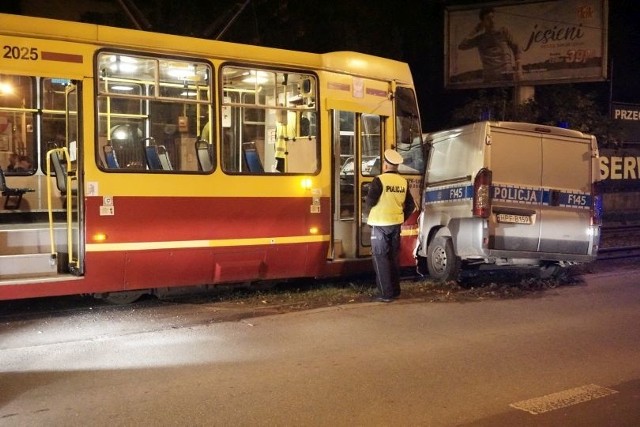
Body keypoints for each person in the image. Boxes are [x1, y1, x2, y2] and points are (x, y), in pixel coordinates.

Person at [366, 149, 416, 302]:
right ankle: (395, 291)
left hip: (379, 224)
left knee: (380, 258)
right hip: (395, 225)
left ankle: (385, 294)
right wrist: (401, 217)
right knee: (393, 258)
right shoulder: (403, 182)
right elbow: (411, 205)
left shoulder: (379, 180)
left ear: (386, 165)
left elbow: (370, 202)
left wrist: (368, 213)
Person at [458, 7, 521, 83]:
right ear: (482, 22)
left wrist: (518, 69)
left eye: (492, 17)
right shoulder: (480, 39)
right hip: (490, 79)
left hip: (506, 76)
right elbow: (461, 46)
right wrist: (475, 30)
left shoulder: (503, 31)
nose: (492, 21)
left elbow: (516, 48)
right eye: (488, 19)